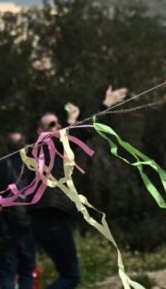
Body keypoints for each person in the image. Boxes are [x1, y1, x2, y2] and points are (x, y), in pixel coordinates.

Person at [28, 85, 128, 289]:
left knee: (67, 273)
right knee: (72, 276)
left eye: (58, 123)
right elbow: (86, 130)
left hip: (42, 221)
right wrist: (105, 105)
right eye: (51, 124)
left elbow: (69, 138)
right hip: (53, 220)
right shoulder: (47, 145)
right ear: (40, 131)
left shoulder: (40, 150)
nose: (57, 127)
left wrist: (70, 122)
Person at [0, 131, 36, 289]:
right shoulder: (32, 164)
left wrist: (0, 226)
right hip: (27, 226)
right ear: (23, 144)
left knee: (7, 273)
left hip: (7, 227)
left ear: (7, 146)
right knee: (27, 272)